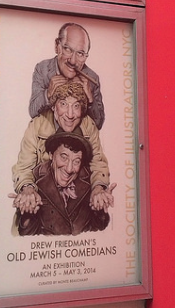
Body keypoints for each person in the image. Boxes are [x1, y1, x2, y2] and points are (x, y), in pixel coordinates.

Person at [13, 80, 112, 215]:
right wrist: (27, 188)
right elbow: (23, 166)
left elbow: (98, 163)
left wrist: (98, 188)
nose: (70, 115)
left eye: (76, 106)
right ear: (54, 107)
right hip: (43, 200)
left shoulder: (89, 126)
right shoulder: (37, 125)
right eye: (63, 104)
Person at [16, 132, 115, 236]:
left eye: (76, 161)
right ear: (51, 155)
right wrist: (28, 214)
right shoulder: (32, 184)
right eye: (64, 157)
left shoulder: (91, 185)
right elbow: (26, 237)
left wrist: (100, 211)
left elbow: (97, 232)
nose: (69, 169)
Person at [29, 22, 105, 130]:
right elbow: (32, 112)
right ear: (57, 46)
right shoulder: (43, 69)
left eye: (80, 53)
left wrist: (90, 99)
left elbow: (99, 124)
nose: (73, 61)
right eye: (68, 49)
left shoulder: (92, 78)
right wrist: (48, 93)